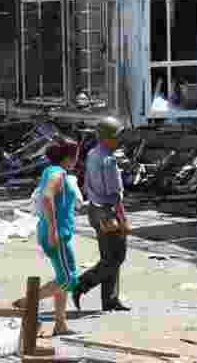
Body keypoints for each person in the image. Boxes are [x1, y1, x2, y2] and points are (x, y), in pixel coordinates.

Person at [13, 136, 80, 336]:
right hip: (56, 233)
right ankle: (26, 302)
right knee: (69, 279)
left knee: (64, 277)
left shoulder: (54, 171)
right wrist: (52, 230)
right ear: (69, 157)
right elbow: (46, 197)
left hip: (60, 232)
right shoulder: (57, 173)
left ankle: (60, 324)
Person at [73, 116, 131, 313]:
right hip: (108, 211)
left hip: (95, 210)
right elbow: (114, 193)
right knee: (117, 257)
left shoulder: (93, 153)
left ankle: (110, 300)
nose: (119, 140)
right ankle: (82, 284)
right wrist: (122, 217)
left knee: (109, 257)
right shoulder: (108, 159)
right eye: (117, 136)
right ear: (107, 138)